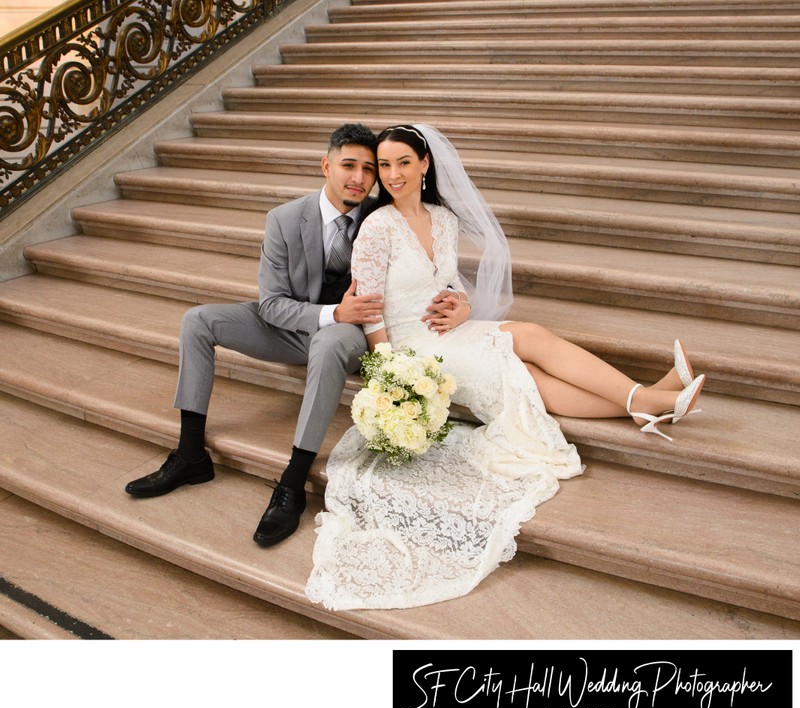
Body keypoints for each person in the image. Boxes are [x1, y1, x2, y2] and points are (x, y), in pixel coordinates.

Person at [305, 124, 706, 611]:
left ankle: (644, 401)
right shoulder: (376, 227)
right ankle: (644, 401)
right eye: (384, 165)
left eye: (403, 163)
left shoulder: (442, 219)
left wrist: (465, 306)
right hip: (414, 347)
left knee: (530, 337)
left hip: (451, 330)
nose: (392, 175)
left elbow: (451, 282)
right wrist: (393, 369)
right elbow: (368, 309)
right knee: (528, 372)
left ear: (425, 164)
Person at [125, 123, 383, 547]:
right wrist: (332, 311)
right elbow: (271, 304)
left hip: (349, 337)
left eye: (368, 169)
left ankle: (293, 480)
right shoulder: (284, 219)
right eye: (348, 165)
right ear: (326, 165)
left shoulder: (381, 217)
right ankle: (190, 454)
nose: (358, 177)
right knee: (198, 320)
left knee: (332, 339)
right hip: (295, 325)